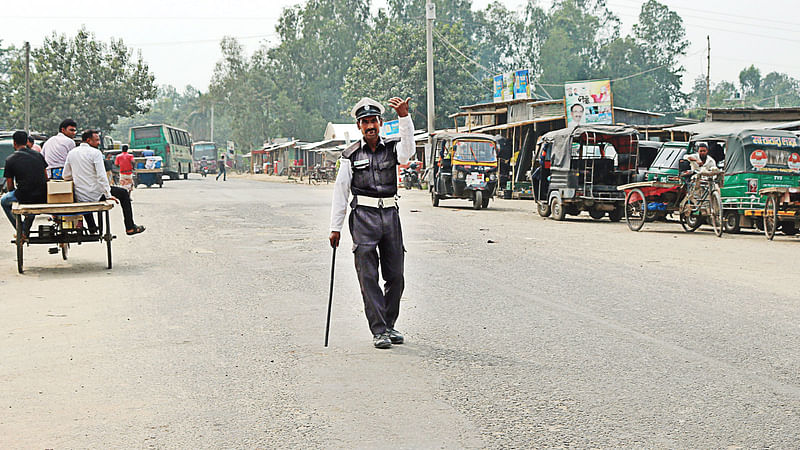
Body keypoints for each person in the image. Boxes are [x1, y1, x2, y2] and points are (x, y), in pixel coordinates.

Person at [329, 96, 414, 349]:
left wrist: (404, 117)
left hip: (389, 215)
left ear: (381, 122)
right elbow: (341, 191)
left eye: (373, 121)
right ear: (359, 126)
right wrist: (336, 227)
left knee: (396, 275)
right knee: (368, 276)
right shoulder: (350, 155)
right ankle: (378, 330)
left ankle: (389, 324)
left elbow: (409, 152)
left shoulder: (393, 148)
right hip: (363, 218)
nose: (370, 126)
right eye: (364, 122)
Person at [63, 130, 145, 236]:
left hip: (80, 195)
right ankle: (130, 227)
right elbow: (102, 176)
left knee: (84, 195)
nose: (99, 143)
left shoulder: (72, 153)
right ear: (88, 140)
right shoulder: (95, 153)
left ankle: (92, 227)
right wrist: (108, 195)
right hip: (96, 195)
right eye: (96, 140)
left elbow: (66, 175)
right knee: (124, 193)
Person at [1, 131, 47, 238]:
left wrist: (14, 192)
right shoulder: (38, 155)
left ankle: (20, 228)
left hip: (24, 195)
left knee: (4, 201)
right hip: (42, 195)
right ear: (27, 141)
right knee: (33, 203)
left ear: (14, 143)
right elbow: (46, 177)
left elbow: (10, 184)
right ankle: (24, 230)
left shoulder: (10, 159)